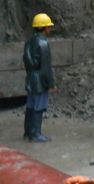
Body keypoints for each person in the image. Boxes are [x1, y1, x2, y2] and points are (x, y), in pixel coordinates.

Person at [23, 13, 57, 142]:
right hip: (39, 80)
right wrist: (51, 83)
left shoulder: (29, 41)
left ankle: (28, 131)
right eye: (49, 27)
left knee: (30, 106)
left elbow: (26, 60)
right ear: (45, 28)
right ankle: (36, 134)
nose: (50, 29)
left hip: (31, 77)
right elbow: (46, 67)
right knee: (39, 107)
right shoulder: (43, 43)